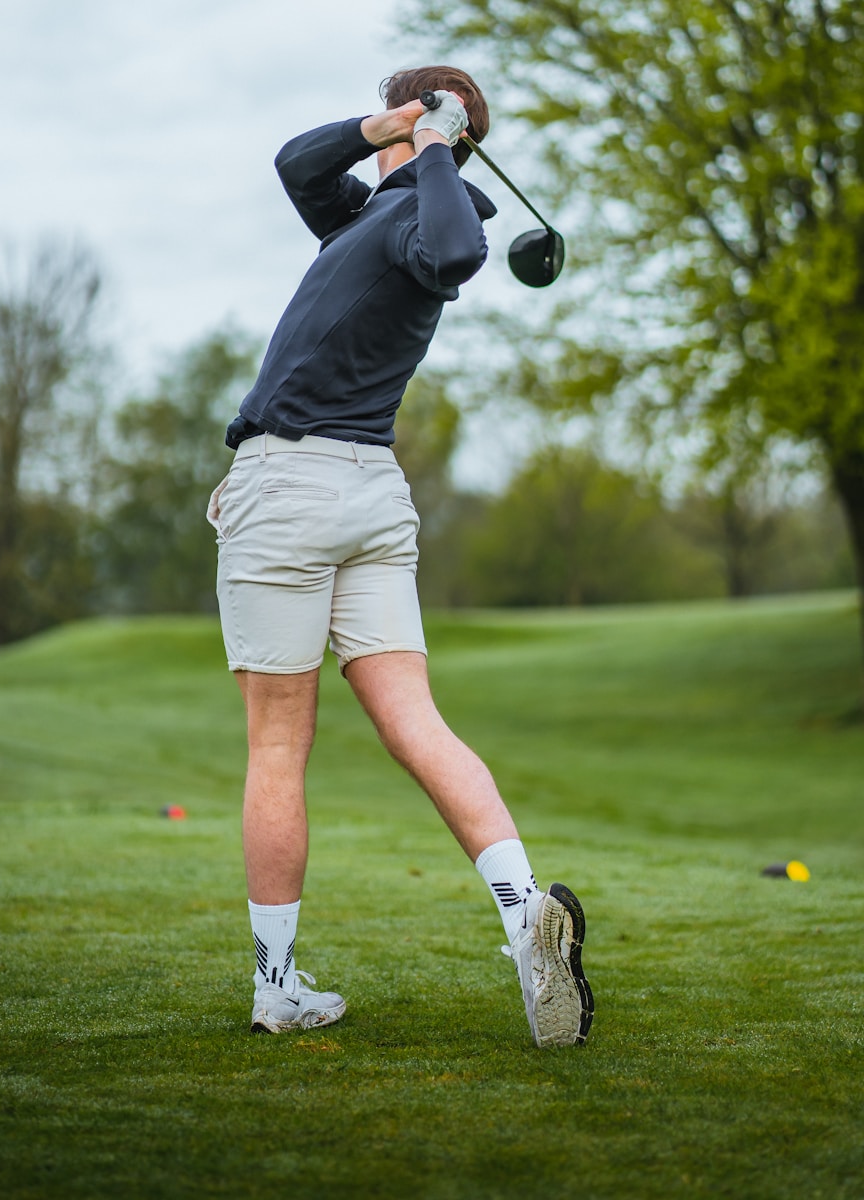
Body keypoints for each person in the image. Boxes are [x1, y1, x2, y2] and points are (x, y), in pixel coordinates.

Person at [206, 66, 594, 1047]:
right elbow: (296, 163)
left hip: (293, 485)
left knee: (279, 745)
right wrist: (396, 125)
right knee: (413, 721)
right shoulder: (366, 219)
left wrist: (431, 145)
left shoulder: (434, 212)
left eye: (410, 113)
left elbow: (462, 248)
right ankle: (521, 923)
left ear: (440, 133)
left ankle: (278, 985)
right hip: (366, 494)